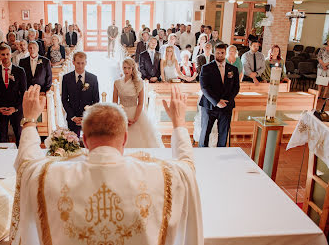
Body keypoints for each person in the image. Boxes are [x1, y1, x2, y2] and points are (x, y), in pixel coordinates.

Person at [11, 84, 203, 245]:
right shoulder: (160, 175)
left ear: (84, 141)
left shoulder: (50, 176)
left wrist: (29, 122)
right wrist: (178, 123)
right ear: (125, 138)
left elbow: (26, 165)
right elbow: (187, 167)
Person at [113, 58, 164, 148]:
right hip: (121, 114)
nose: (126, 70)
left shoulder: (138, 82)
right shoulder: (117, 83)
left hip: (135, 114)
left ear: (133, 69)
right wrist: (120, 118)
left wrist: (135, 119)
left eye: (129, 68)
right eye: (124, 68)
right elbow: (114, 104)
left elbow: (140, 103)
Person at [199, 44, 240, 147]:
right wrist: (216, 102)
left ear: (225, 53)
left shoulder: (233, 69)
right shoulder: (206, 68)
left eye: (222, 53)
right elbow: (204, 87)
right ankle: (201, 155)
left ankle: (221, 156)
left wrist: (227, 101)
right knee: (205, 133)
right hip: (209, 105)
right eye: (218, 52)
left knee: (223, 133)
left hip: (226, 106)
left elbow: (236, 87)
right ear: (214, 52)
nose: (220, 55)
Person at [0, 44, 26, 146]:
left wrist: (15, 108)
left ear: (11, 55)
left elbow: (24, 92)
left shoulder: (19, 71)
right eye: (3, 54)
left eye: (7, 54)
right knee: (2, 136)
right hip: (1, 109)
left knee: (19, 135)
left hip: (16, 108)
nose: (5, 57)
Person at [61, 52, 99, 137]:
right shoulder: (66, 78)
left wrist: (86, 115)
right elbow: (64, 99)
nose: (80, 66)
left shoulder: (93, 78)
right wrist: (73, 116)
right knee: (73, 143)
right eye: (78, 63)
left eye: (82, 63)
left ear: (86, 62)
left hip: (88, 117)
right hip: (72, 117)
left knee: (89, 142)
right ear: (73, 62)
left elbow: (96, 100)